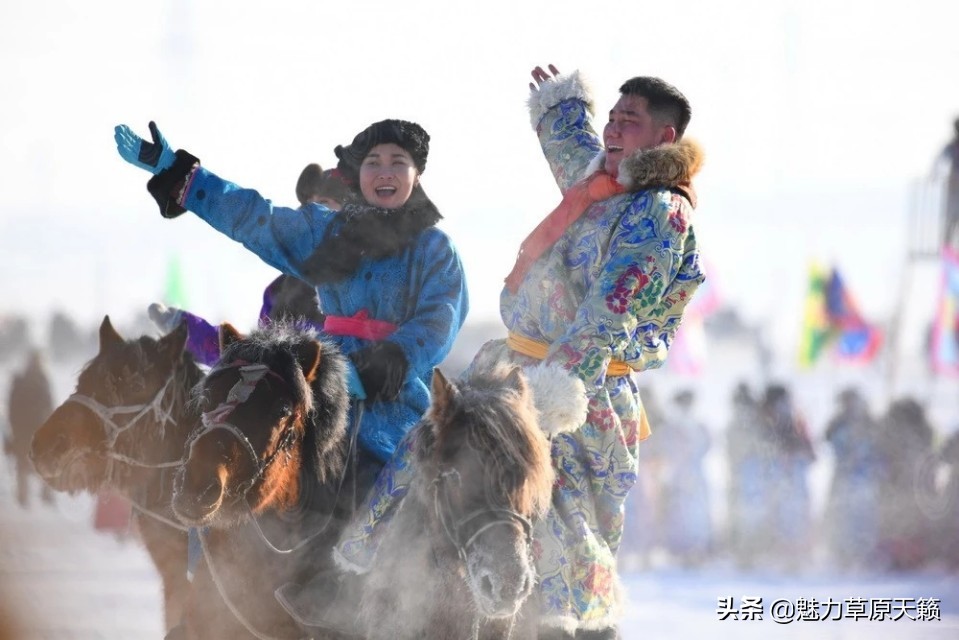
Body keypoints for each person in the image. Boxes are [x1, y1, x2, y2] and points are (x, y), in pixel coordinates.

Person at [335, 65, 705, 638]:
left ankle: (565, 630)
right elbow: (572, 148)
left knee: (563, 525)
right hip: (512, 367)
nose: (611, 126)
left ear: (662, 138)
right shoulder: (600, 181)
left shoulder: (660, 213)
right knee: (429, 443)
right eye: (611, 114)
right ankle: (358, 559)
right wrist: (561, 106)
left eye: (628, 121)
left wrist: (555, 393)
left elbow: (610, 311)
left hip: (579, 393)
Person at [113, 118, 470, 478]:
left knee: (399, 487)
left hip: (396, 404)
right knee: (245, 466)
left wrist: (387, 363)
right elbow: (255, 218)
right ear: (359, 172)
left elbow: (439, 319)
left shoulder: (435, 249)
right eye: (373, 162)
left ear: (417, 174)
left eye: (398, 162)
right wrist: (180, 175)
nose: (384, 172)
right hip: (321, 390)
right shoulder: (328, 233)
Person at [147, 163, 351, 365]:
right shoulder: (281, 288)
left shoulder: (366, 272)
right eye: (308, 207)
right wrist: (186, 331)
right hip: (291, 386)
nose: (313, 214)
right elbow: (255, 354)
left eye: (324, 204)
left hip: (352, 385)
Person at [6, 349, 55, 508]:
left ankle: (32, 494)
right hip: (29, 428)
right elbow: (13, 406)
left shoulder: (33, 380)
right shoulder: (33, 380)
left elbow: (48, 405)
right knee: (34, 461)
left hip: (29, 428)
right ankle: (31, 494)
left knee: (34, 460)